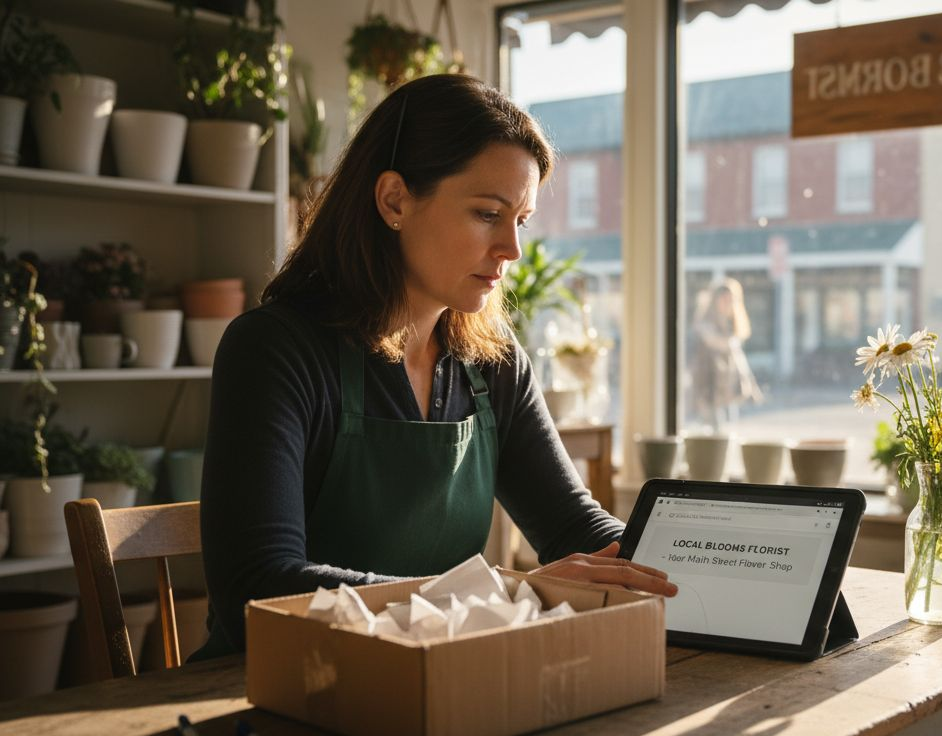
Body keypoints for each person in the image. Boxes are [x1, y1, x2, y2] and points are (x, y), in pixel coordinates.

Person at [193, 74, 675, 659]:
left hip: (432, 688)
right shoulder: (274, 350)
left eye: (520, 220)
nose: (512, 250)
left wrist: (696, 568)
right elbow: (260, 590)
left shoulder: (492, 367)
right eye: (486, 213)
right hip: (272, 690)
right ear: (395, 199)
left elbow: (577, 532)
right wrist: (512, 590)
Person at [689, 277, 762, 430]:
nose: (727, 303)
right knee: (715, 428)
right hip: (710, 388)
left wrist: (751, 386)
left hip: (729, 389)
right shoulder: (706, 327)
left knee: (728, 428)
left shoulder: (731, 328)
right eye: (724, 299)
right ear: (715, 300)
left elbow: (740, 363)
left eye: (731, 300)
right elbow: (717, 345)